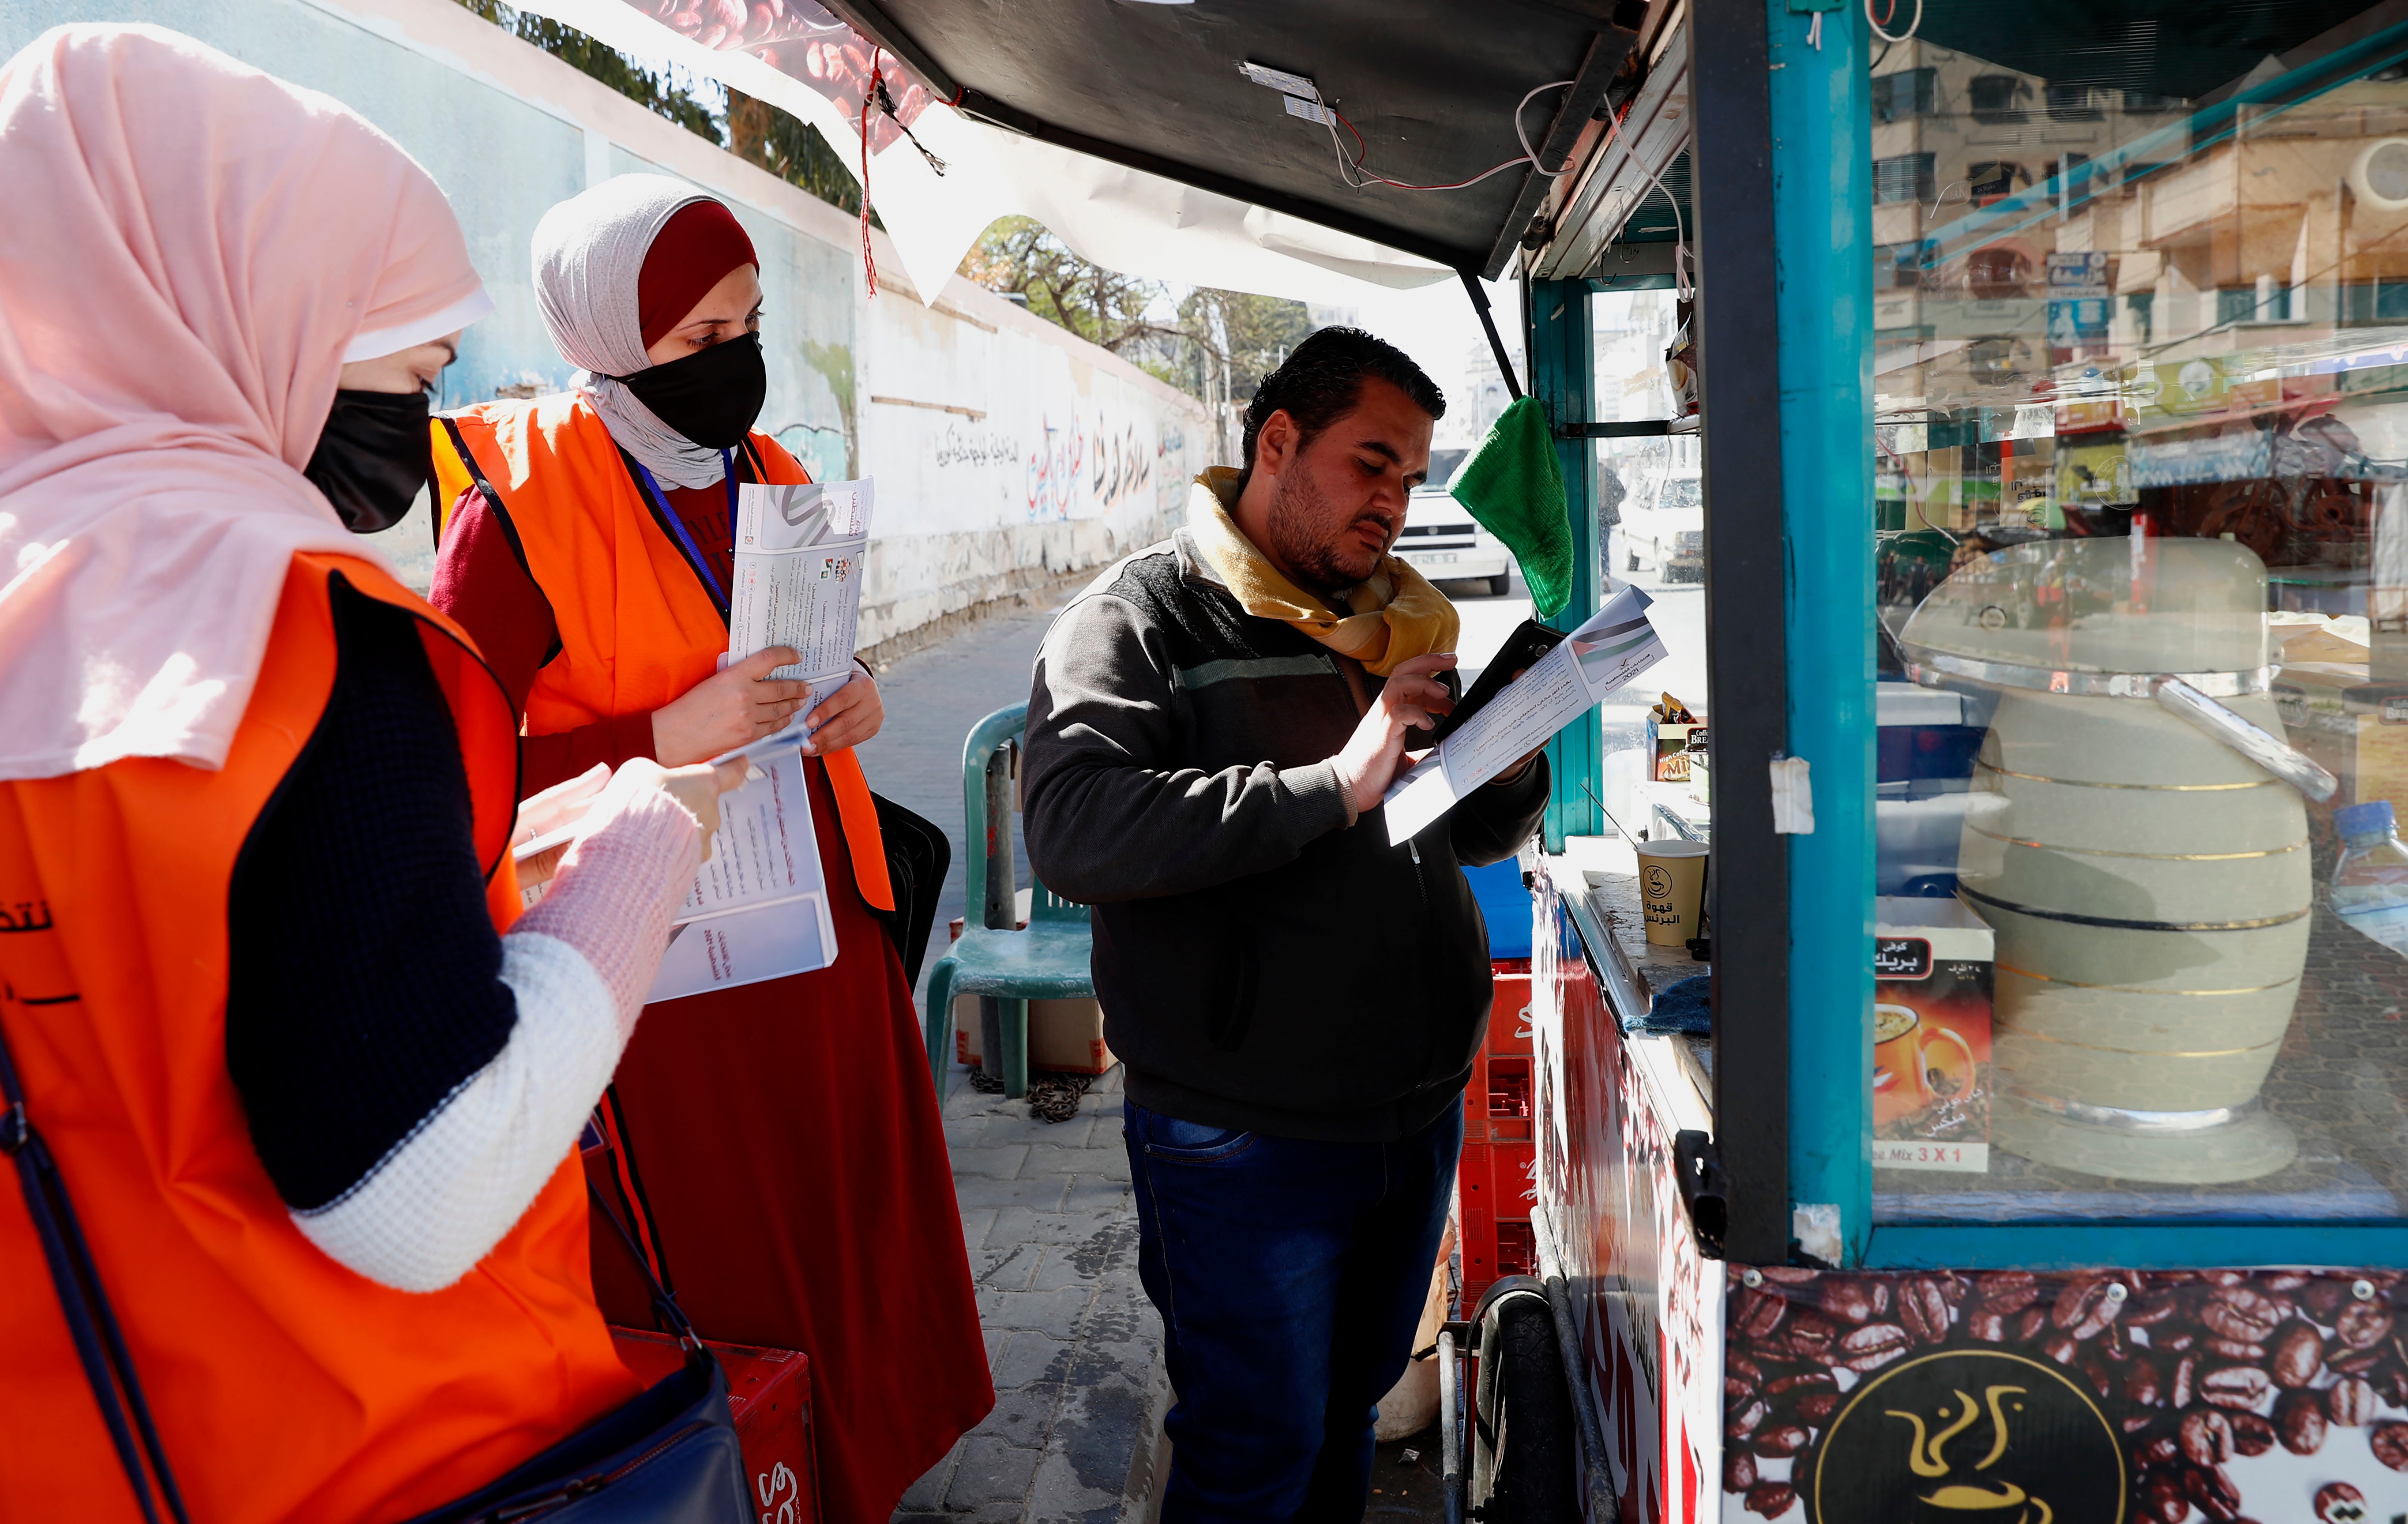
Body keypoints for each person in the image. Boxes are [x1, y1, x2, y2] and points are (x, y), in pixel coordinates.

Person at [0, 24, 743, 1522]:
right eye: (411, 365)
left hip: (93, 1445)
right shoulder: (308, 634)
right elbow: (422, 1187)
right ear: (252, 308)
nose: (423, 415)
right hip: (395, 1448)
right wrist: (649, 843)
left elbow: (178, 970)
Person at [427, 174, 990, 1522]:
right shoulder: (511, 513)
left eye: (748, 324)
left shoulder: (770, 474)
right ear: (607, 342)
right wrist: (652, 734)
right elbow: (448, 780)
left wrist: (852, 697)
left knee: (853, 1261)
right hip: (666, 996)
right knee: (732, 1293)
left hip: (820, 954)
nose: (735, 363)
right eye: (697, 341)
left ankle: (861, 1477)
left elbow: (804, 661)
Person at [1023, 327, 1552, 1519]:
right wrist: (1334, 784)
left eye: (1412, 478)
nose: (1394, 503)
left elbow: (1451, 833)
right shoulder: (1143, 621)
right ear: (1277, 442)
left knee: (1341, 1426)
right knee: (1251, 1447)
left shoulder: (1388, 622)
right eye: (1372, 463)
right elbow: (1076, 830)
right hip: (1245, 1140)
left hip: (1408, 1117)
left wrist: (1508, 756)